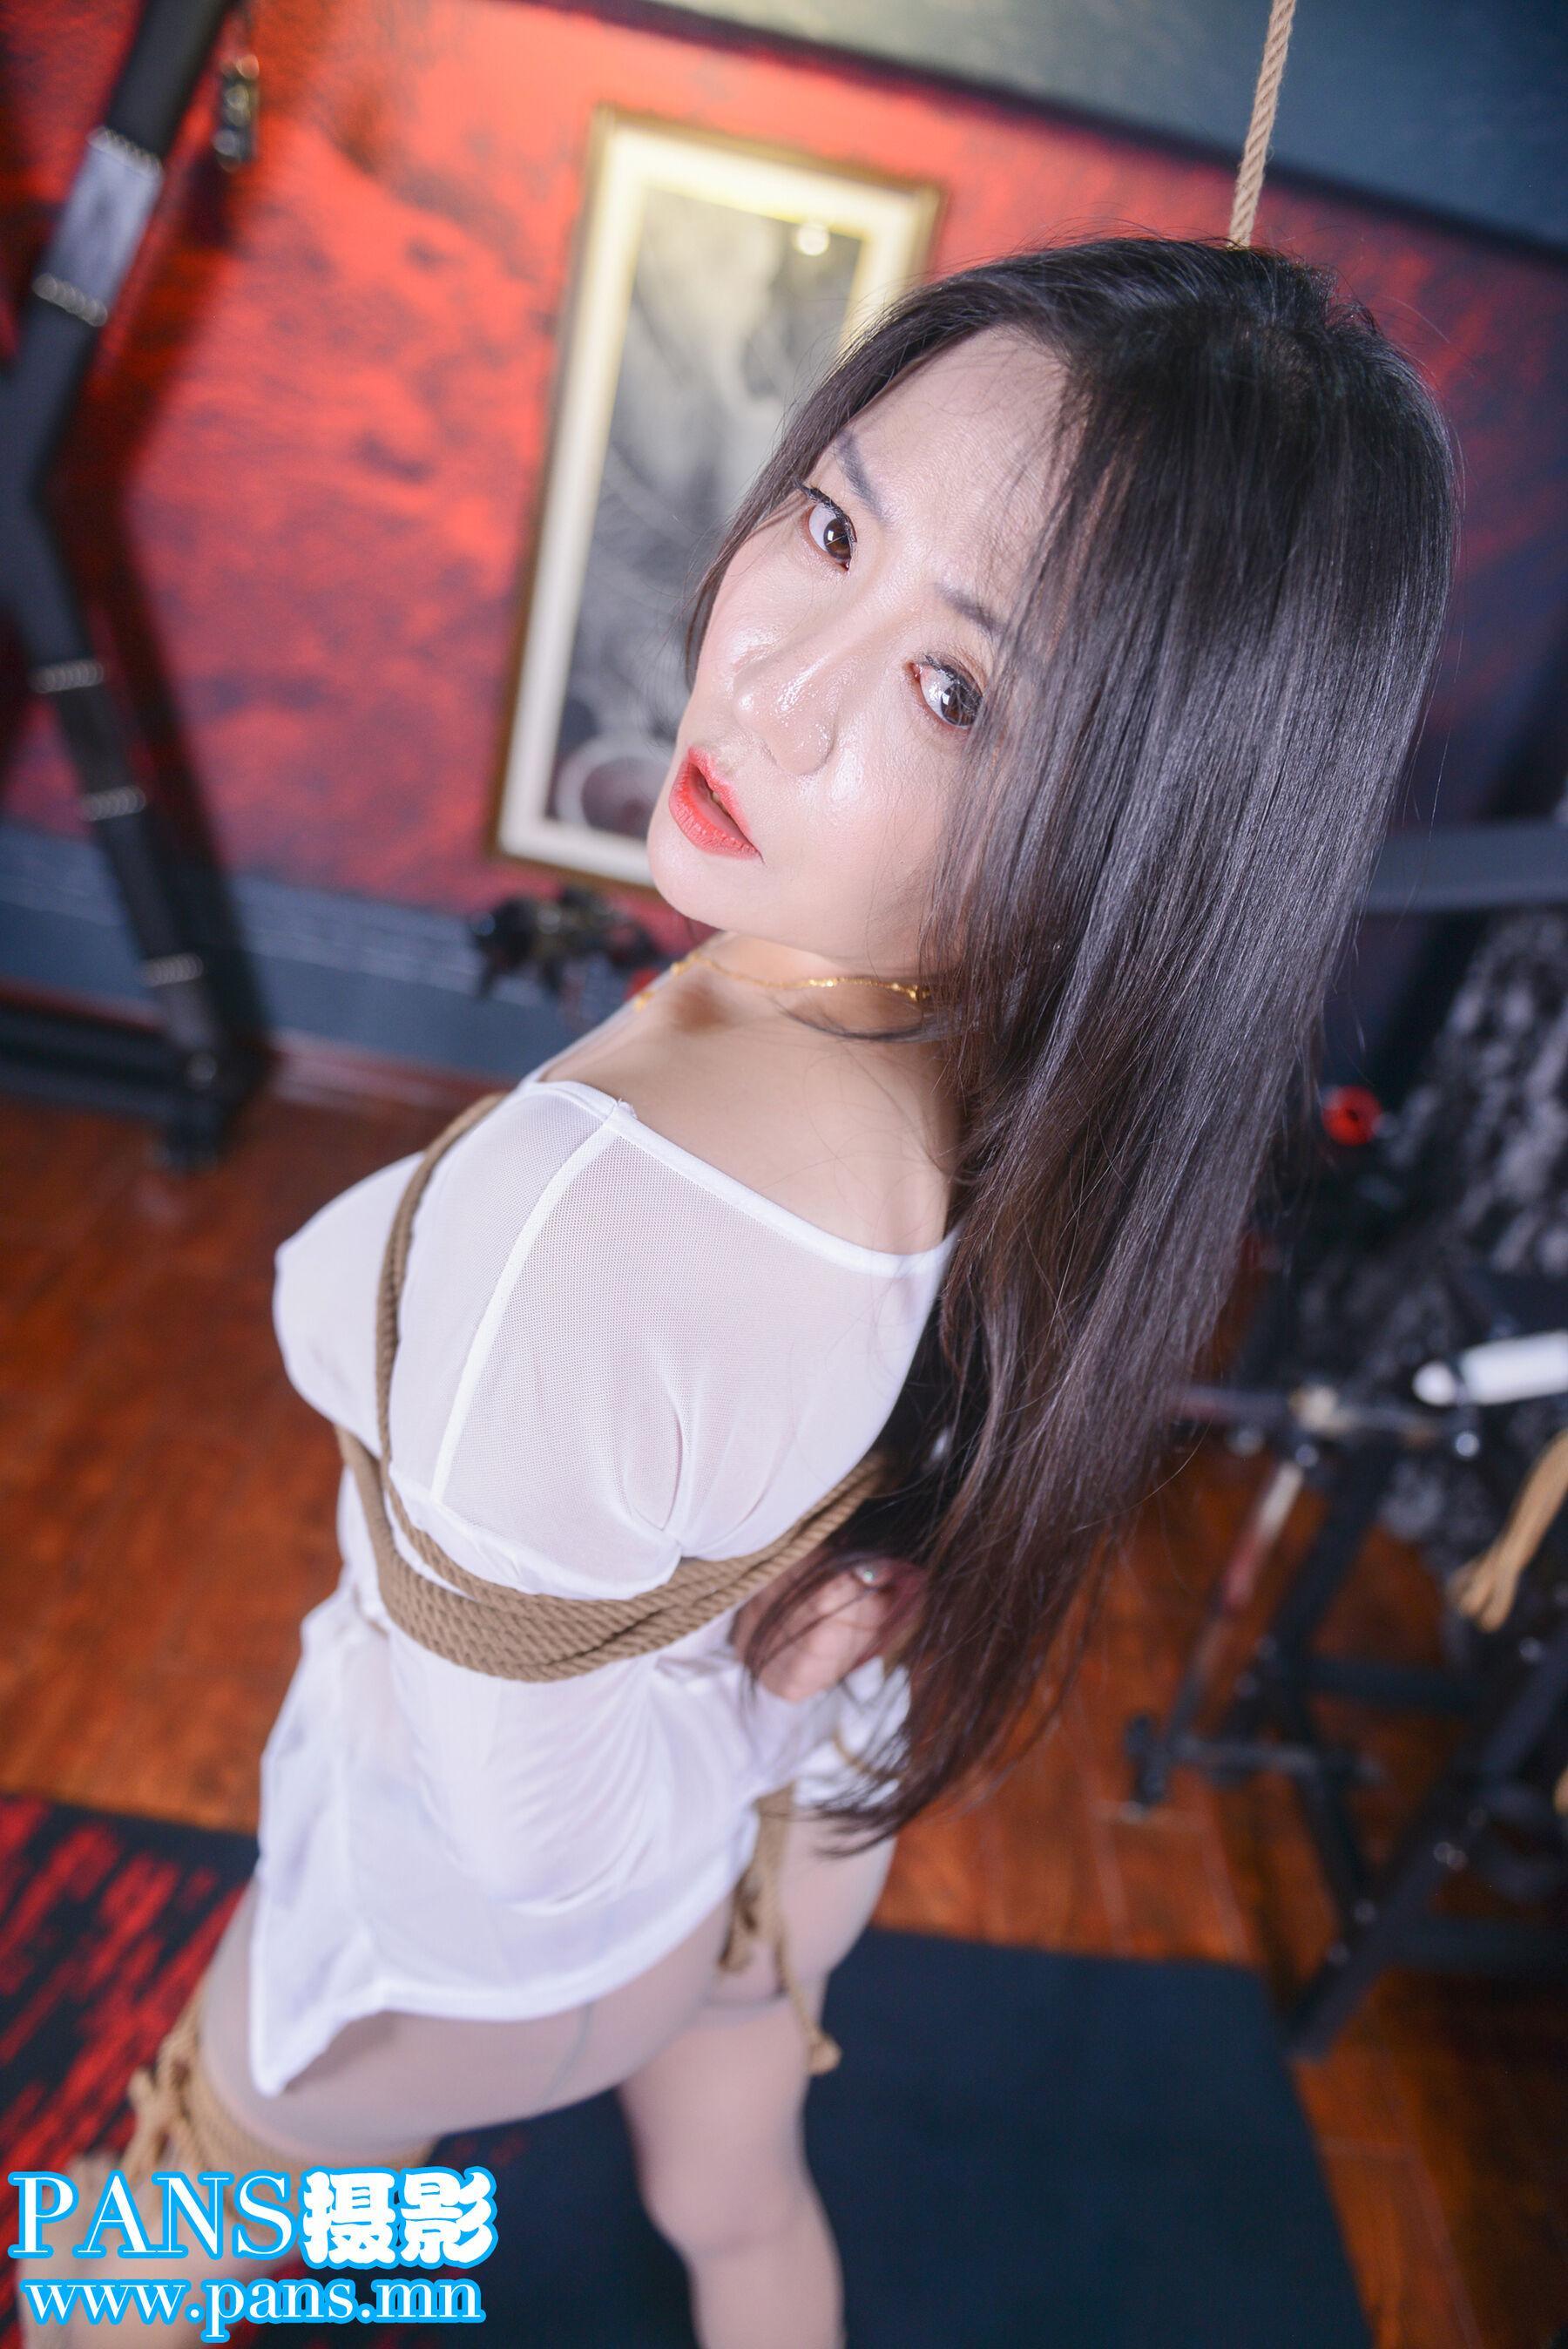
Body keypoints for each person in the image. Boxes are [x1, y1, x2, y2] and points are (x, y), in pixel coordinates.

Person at [19, 236, 1457, 2349]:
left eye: (957, 690)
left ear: (1136, 832)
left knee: (152, 2229)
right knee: (741, 2209)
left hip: (526, 1937)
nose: (771, 680)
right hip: (794, 1849)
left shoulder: (591, 1216)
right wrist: (802, 1688)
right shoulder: (1032, 1081)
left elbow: (528, 1843)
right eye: (834, 527)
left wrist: (747, 1715)